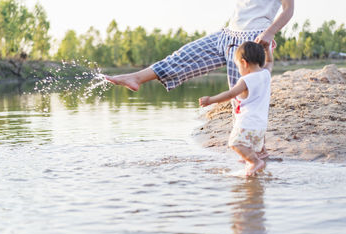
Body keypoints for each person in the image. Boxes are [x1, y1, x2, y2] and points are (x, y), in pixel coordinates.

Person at [105, 0, 293, 92]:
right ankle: (136, 78)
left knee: (243, 98)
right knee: (182, 57)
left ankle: (257, 153)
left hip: (252, 40)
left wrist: (269, 33)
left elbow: (288, 10)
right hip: (226, 34)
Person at [199, 41, 274, 176]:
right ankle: (254, 161)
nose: (239, 69)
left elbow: (230, 94)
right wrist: (268, 50)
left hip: (247, 122)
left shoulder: (245, 80)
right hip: (260, 125)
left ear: (244, 63)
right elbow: (269, 62)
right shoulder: (265, 74)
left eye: (238, 66)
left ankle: (254, 162)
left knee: (234, 143)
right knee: (248, 144)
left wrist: (211, 100)